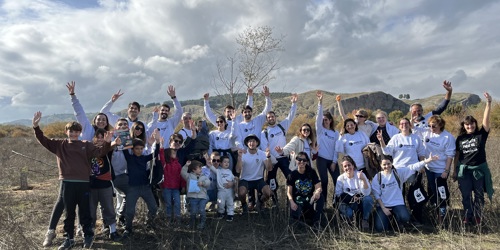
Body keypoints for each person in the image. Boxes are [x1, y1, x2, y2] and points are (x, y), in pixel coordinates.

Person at [43, 82, 114, 247]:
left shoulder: (109, 134)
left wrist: (110, 143)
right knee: (66, 207)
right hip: (76, 176)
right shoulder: (87, 131)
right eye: (99, 119)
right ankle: (62, 235)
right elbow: (80, 113)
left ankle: (90, 233)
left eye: (104, 119)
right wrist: (73, 96)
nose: (102, 121)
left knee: (87, 209)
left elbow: (104, 152)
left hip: (91, 177)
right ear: (95, 121)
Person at [453, 92, 493, 225]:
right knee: (466, 195)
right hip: (464, 170)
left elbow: (486, 122)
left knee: (479, 195)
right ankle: (467, 216)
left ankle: (477, 216)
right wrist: (454, 171)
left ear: (475, 124)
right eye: (467, 125)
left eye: (472, 124)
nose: (470, 127)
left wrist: (488, 103)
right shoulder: (460, 138)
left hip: (478, 170)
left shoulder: (481, 135)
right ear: (464, 126)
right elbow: (457, 155)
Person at [377, 117, 426, 224]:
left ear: (409, 125)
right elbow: (387, 151)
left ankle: (416, 217)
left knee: (414, 195)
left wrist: (422, 166)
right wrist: (381, 141)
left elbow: (421, 153)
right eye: (402, 124)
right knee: (399, 195)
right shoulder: (396, 138)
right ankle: (400, 219)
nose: (404, 125)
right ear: (399, 126)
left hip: (412, 170)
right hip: (397, 171)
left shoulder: (415, 138)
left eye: (406, 123)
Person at [372, 154, 438, 232]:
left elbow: (412, 167)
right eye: (384, 165)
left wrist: (427, 161)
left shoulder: (398, 173)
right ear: (380, 165)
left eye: (388, 164)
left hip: (397, 204)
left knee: (405, 217)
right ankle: (389, 222)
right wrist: (383, 208)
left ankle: (397, 221)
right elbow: (376, 194)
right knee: (380, 228)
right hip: (384, 206)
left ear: (392, 163)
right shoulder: (378, 177)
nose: (387, 166)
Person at [414, 115, 456, 223]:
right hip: (429, 168)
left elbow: (450, 155)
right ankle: (434, 212)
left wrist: (446, 171)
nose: (431, 128)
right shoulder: (427, 132)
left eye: (434, 126)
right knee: (432, 191)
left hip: (440, 170)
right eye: (430, 125)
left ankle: (442, 217)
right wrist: (412, 120)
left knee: (441, 192)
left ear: (441, 125)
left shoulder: (448, 137)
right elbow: (414, 129)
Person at [260, 93, 298, 206]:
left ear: (275, 118)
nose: (271, 118)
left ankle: (291, 200)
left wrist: (294, 104)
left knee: (291, 178)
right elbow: (264, 147)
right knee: (272, 182)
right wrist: (271, 159)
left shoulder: (282, 127)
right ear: (267, 120)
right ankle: (275, 202)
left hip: (284, 158)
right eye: (269, 117)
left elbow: (290, 116)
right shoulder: (265, 132)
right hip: (272, 160)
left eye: (272, 116)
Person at [121, 134, 160, 238]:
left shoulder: (144, 158)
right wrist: (123, 134)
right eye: (137, 148)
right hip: (132, 188)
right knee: (129, 211)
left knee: (153, 207)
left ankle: (149, 223)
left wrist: (158, 142)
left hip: (145, 187)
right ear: (133, 149)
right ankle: (128, 228)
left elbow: (155, 154)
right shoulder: (129, 158)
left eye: (141, 148)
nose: (139, 150)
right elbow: (125, 148)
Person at [88, 129, 121, 241]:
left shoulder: (108, 149)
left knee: (108, 208)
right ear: (94, 138)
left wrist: (112, 142)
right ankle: (90, 233)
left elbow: (109, 147)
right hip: (91, 185)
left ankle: (113, 231)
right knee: (91, 210)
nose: (101, 139)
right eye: (99, 137)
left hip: (105, 184)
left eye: (103, 137)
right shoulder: (89, 149)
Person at [159, 133, 193, 223]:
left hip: (176, 188)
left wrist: (183, 186)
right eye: (175, 141)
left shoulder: (178, 164)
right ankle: (168, 220)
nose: (177, 143)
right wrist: (161, 146)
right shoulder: (165, 163)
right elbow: (161, 157)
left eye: (179, 142)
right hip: (166, 187)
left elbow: (181, 175)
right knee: (168, 204)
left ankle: (178, 220)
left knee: (178, 204)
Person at [236, 134, 275, 214]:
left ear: (257, 143)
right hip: (245, 179)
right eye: (249, 141)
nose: (251, 143)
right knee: (241, 192)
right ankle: (244, 205)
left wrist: (268, 157)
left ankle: (260, 202)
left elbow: (269, 168)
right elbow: (238, 170)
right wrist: (239, 158)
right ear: (247, 143)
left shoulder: (262, 153)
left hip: (258, 179)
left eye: (253, 141)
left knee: (268, 193)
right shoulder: (243, 153)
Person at [287, 152, 324, 229]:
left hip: (310, 200)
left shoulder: (312, 172)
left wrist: (317, 192)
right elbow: (289, 192)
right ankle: (304, 221)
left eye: (304, 160)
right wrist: (292, 202)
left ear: (307, 161)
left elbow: (318, 187)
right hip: (297, 202)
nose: (302, 162)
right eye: (299, 160)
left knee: (320, 197)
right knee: (295, 223)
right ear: (296, 160)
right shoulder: (292, 174)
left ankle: (316, 222)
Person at [335, 156, 373, 230]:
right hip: (347, 202)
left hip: (360, 200)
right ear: (343, 168)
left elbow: (367, 192)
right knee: (349, 213)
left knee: (368, 199)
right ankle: (351, 222)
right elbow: (338, 194)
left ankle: (364, 220)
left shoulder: (360, 174)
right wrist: (351, 198)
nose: (347, 168)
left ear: (353, 165)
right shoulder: (341, 178)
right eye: (345, 166)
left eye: (349, 165)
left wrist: (363, 180)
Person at [315, 91, 340, 204]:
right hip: (321, 159)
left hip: (332, 160)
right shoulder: (320, 130)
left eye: (326, 119)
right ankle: (323, 203)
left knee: (337, 181)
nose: (324, 121)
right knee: (324, 181)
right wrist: (320, 102)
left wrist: (334, 162)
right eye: (323, 119)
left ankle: (336, 202)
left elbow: (337, 148)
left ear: (330, 121)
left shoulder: (335, 133)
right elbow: (318, 116)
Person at [181, 160, 211, 230]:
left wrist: (203, 183)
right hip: (193, 198)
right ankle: (192, 224)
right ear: (193, 170)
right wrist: (186, 165)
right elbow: (182, 173)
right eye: (199, 168)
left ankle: (202, 224)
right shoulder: (189, 176)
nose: (201, 169)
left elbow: (208, 182)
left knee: (201, 210)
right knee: (193, 211)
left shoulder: (204, 176)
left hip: (202, 197)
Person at [207, 155, 235, 221]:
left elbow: (234, 180)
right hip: (221, 191)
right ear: (221, 163)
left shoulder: (230, 172)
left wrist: (233, 183)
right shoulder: (218, 171)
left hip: (229, 191)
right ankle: (220, 213)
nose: (226, 163)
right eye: (225, 162)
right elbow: (211, 167)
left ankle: (230, 215)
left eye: (228, 162)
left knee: (230, 203)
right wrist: (209, 163)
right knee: (220, 203)